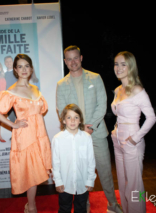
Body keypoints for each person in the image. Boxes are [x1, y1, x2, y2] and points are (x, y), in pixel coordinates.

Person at [56, 45, 122, 213]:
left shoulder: (95, 78)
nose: (73, 61)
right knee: (80, 173)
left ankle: (113, 204)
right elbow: (62, 110)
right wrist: (79, 130)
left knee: (105, 170)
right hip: (75, 137)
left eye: (75, 57)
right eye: (69, 59)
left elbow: (102, 104)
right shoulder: (61, 84)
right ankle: (83, 206)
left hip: (97, 133)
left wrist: (90, 127)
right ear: (65, 61)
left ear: (81, 58)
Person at [0, 54, 52, 213]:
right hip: (24, 136)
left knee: (36, 172)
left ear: (31, 68)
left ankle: (31, 205)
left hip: (39, 134)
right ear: (15, 69)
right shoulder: (12, 91)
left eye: (27, 66)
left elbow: (41, 111)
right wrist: (12, 124)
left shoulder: (35, 88)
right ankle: (32, 206)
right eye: (20, 66)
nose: (24, 69)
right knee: (30, 172)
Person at [111, 51, 156, 213]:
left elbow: (151, 118)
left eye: (123, 64)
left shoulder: (138, 90)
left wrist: (135, 138)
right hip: (117, 138)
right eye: (116, 64)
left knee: (134, 185)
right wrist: (115, 132)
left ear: (131, 67)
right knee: (122, 183)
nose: (119, 67)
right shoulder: (118, 90)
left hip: (131, 139)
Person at [52, 104, 96, 213]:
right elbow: (55, 163)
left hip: (82, 181)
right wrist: (58, 181)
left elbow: (91, 160)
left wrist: (90, 180)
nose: (72, 120)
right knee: (64, 208)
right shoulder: (57, 139)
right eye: (69, 117)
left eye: (76, 117)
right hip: (65, 182)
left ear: (80, 120)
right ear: (63, 121)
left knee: (81, 208)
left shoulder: (86, 137)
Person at [4, 56, 17, 123]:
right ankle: (14, 133)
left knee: (20, 119)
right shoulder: (3, 75)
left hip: (17, 100)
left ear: (13, 62)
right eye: (7, 62)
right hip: (8, 101)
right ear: (5, 63)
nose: (8, 63)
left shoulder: (18, 73)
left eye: (10, 61)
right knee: (12, 121)